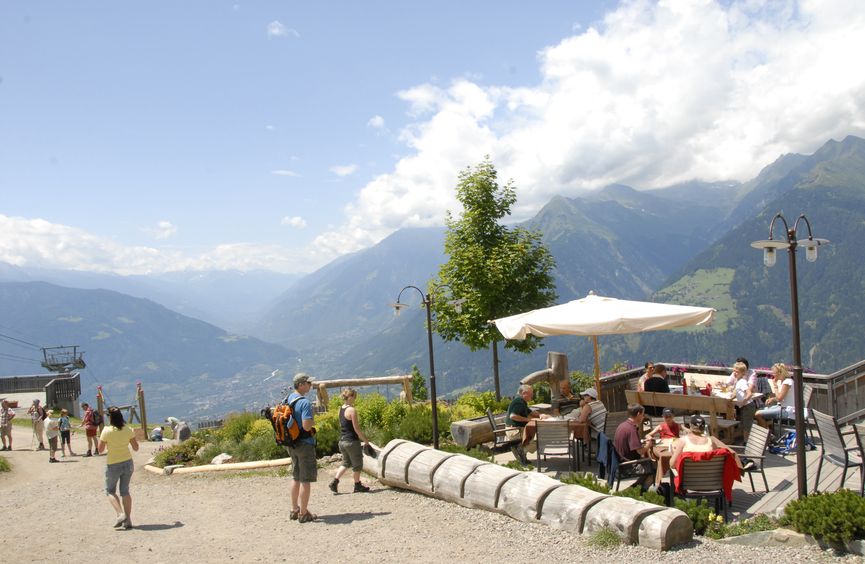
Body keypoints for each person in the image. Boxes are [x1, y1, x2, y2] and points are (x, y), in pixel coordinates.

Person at [98, 406, 139, 530]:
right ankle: (128, 520)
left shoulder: (106, 431)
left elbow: (100, 450)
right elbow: (136, 447)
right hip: (127, 462)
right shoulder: (128, 429)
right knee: (125, 491)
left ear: (109, 417)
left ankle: (120, 514)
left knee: (110, 491)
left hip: (113, 463)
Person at [286, 373, 318, 523]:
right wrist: (312, 422)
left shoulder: (288, 399)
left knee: (296, 476)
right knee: (306, 479)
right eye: (308, 383)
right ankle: (304, 513)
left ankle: (294, 509)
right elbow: (306, 426)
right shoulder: (304, 402)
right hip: (305, 444)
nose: (310, 386)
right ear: (301, 385)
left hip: (291, 444)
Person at [328, 388, 371, 494]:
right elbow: (357, 429)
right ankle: (357, 485)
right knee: (357, 464)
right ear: (350, 397)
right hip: (352, 441)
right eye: (354, 396)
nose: (355, 399)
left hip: (342, 441)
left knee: (346, 463)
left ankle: (335, 481)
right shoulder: (352, 410)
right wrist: (366, 441)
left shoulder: (341, 409)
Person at [612, 404, 655, 489]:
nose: (643, 417)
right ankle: (642, 491)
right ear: (638, 414)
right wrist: (648, 445)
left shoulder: (623, 425)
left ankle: (635, 488)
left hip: (621, 462)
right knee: (656, 467)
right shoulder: (631, 429)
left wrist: (643, 443)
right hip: (628, 466)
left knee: (650, 464)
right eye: (643, 414)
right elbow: (640, 451)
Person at [505, 384, 547, 464]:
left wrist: (540, 415)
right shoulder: (519, 402)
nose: (532, 395)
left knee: (534, 433)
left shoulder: (521, 402)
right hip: (514, 431)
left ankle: (522, 455)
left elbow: (530, 411)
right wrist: (528, 419)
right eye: (530, 393)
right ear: (524, 393)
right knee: (539, 441)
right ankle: (522, 450)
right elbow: (513, 416)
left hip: (516, 429)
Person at [755, 363, 796, 428]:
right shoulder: (785, 381)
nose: (772, 374)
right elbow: (780, 397)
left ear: (780, 373)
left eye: (774, 373)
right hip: (782, 407)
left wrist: (775, 387)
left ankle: (767, 434)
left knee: (758, 414)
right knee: (760, 410)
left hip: (787, 411)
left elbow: (779, 398)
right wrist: (773, 397)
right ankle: (769, 432)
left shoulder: (787, 382)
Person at [732, 361, 756, 442]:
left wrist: (743, 401)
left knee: (747, 426)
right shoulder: (738, 381)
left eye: (737, 372)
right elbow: (738, 393)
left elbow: (749, 393)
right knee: (744, 424)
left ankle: (746, 442)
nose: (735, 373)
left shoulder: (742, 382)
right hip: (745, 406)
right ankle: (745, 441)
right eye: (734, 371)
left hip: (748, 406)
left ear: (742, 373)